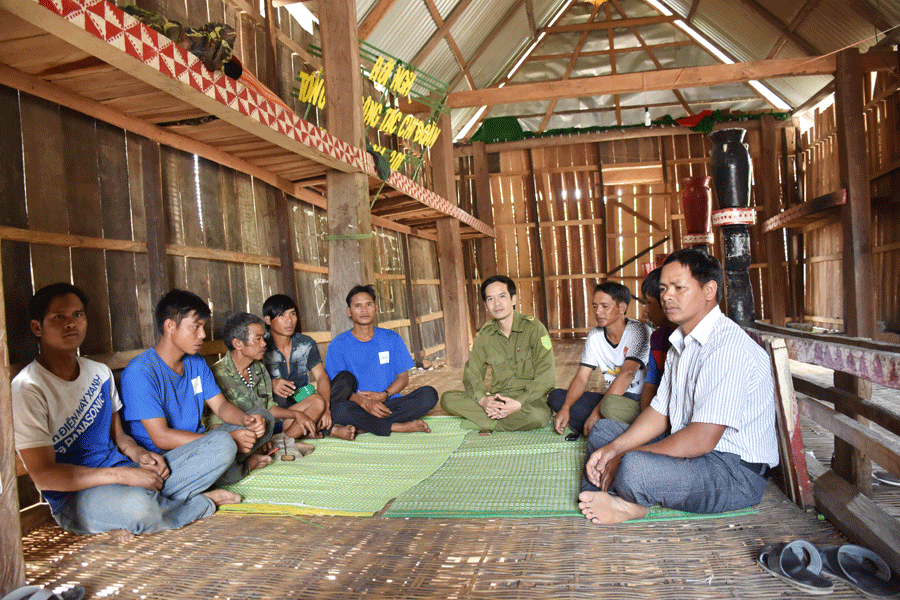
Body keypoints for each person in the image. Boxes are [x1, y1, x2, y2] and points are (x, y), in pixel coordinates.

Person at [11, 283, 238, 541]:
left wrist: (140, 455)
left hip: (124, 470)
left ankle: (157, 505)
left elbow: (120, 439)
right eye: (59, 317)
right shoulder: (28, 389)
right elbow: (44, 476)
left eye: (78, 315)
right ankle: (200, 503)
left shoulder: (98, 373)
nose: (71, 323)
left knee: (222, 444)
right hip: (76, 498)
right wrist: (122, 475)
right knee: (139, 506)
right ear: (37, 327)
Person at [578, 249, 779, 524]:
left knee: (633, 466)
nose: (666, 296)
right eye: (663, 288)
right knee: (605, 432)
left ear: (709, 290)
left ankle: (630, 504)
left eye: (678, 288)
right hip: (697, 455)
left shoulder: (726, 347)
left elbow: (701, 439)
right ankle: (604, 498)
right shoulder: (679, 345)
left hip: (732, 471)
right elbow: (660, 412)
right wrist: (614, 449)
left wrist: (624, 454)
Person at [123, 289, 274, 486]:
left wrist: (245, 419)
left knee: (265, 418)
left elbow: (220, 406)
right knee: (224, 446)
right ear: (170, 326)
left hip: (202, 442)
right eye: (196, 327)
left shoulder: (195, 362)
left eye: (203, 327)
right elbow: (161, 437)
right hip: (165, 456)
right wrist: (226, 439)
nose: (202, 334)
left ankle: (223, 468)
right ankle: (240, 467)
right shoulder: (140, 371)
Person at [209, 312, 351, 447]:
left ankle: (281, 443)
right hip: (243, 434)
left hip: (269, 425)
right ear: (238, 344)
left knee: (318, 401)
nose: (264, 343)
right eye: (258, 339)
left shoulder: (258, 367)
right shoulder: (217, 374)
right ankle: (285, 442)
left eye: (263, 338)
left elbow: (270, 409)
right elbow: (216, 426)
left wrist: (297, 414)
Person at [440, 275, 555, 431]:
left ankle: (489, 423)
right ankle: (500, 420)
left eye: (502, 296)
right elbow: (472, 372)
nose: (497, 303)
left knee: (537, 417)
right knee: (448, 399)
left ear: (513, 299)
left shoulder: (534, 329)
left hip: (528, 400)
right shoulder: (486, 335)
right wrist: (483, 400)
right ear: (486, 305)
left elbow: (546, 375)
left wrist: (518, 402)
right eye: (490, 299)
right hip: (499, 399)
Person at [323, 285, 437, 435]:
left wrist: (384, 395)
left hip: (389, 403)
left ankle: (365, 426)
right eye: (358, 306)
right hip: (357, 406)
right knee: (337, 410)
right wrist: (364, 402)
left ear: (376, 308)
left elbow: (403, 378)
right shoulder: (338, 344)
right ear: (349, 311)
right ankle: (396, 426)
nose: (364, 310)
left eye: (368, 304)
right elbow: (338, 388)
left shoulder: (391, 338)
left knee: (429, 395)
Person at [548, 281, 650, 439]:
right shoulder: (595, 335)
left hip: (637, 401)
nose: (597, 312)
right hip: (610, 397)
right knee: (556, 397)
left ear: (622, 308)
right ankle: (608, 431)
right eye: (595, 306)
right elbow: (582, 377)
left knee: (608, 407)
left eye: (604, 306)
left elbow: (628, 373)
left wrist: (596, 413)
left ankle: (604, 429)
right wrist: (566, 408)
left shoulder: (639, 331)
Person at [260, 295, 355, 440]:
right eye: (282, 315)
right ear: (268, 320)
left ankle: (311, 428)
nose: (289, 320)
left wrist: (325, 407)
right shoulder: (260, 346)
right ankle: (328, 430)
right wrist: (270, 384)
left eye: (292, 314)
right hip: (277, 414)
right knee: (338, 408)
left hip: (305, 403)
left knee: (345, 380)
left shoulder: (306, 343)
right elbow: (249, 386)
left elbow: (321, 377)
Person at [638, 267, 676, 411]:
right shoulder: (657, 338)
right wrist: (644, 419)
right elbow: (651, 383)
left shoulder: (689, 339)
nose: (645, 310)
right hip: (655, 411)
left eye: (649, 303)